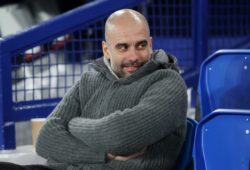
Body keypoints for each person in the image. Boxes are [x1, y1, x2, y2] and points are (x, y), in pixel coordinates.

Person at [0, 9, 187, 170]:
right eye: (123, 47)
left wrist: (73, 124)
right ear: (106, 50)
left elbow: (120, 135)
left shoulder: (167, 82)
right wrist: (103, 154)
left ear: (151, 43)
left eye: (141, 45)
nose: (133, 56)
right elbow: (45, 138)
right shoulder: (90, 79)